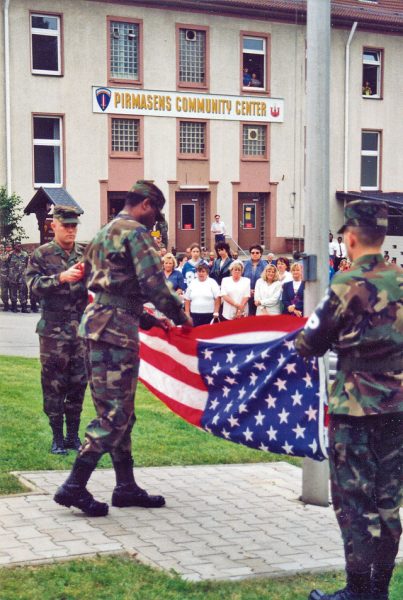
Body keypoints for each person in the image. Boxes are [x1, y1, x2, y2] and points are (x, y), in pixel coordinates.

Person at [54, 181, 192, 517]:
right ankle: (74, 485)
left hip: (99, 325)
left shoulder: (104, 232)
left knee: (119, 412)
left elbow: (105, 286)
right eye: (156, 212)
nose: (155, 220)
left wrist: (146, 321)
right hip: (116, 333)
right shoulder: (135, 233)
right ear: (146, 204)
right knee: (115, 415)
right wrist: (180, 315)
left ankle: (125, 486)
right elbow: (153, 285)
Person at [295, 199, 402, 600]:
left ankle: (358, 592)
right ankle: (379, 590)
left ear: (351, 238)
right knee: (389, 500)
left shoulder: (346, 283)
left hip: (356, 409)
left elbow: (309, 343)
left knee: (355, 503)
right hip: (398, 410)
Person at [26, 206, 88, 455]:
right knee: (54, 384)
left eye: (74, 226)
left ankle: (73, 436)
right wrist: (60, 278)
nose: (71, 230)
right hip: (53, 332)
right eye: (66, 226)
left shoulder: (85, 252)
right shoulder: (41, 255)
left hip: (80, 331)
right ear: (54, 226)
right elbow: (32, 285)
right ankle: (57, 438)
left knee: (78, 383)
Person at [243, 244, 267, 316]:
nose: (255, 254)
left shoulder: (265, 265)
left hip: (261, 295)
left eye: (257, 253)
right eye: (253, 253)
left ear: (261, 254)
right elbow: (241, 279)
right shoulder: (245, 264)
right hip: (247, 294)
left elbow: (267, 280)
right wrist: (248, 290)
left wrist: (257, 291)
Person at [8, 241, 29, 312]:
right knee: (13, 292)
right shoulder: (10, 254)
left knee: (23, 292)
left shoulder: (25, 254)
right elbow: (7, 264)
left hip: (22, 276)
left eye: (20, 245)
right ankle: (14, 307)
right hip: (13, 276)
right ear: (14, 246)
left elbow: (27, 264)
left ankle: (24, 307)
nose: (19, 246)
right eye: (17, 245)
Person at [0, 243, 11, 311]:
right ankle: (6, 304)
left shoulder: (7, 255)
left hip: (8, 275)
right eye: (0, 248)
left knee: (11, 291)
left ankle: (12, 305)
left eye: (2, 248)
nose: (1, 249)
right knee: (3, 292)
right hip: (1, 276)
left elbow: (4, 259)